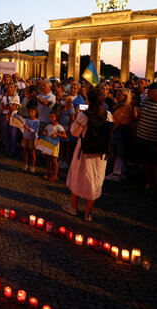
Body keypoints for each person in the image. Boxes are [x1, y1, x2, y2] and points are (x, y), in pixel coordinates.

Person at [63, 87, 114, 221]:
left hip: (84, 151)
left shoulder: (83, 115)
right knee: (95, 179)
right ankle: (88, 212)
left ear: (89, 100)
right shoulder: (108, 115)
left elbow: (74, 132)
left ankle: (73, 207)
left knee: (78, 176)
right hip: (100, 154)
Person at [105, 88, 137, 181]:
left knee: (119, 152)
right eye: (117, 94)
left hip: (120, 132)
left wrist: (110, 131)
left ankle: (117, 172)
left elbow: (120, 121)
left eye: (119, 95)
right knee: (117, 152)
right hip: (116, 130)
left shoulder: (127, 107)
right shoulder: (118, 105)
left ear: (125, 96)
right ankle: (121, 171)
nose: (117, 96)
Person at [42, 110, 67, 181]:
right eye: (50, 117)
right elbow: (45, 131)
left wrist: (57, 134)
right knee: (48, 159)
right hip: (48, 144)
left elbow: (65, 135)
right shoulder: (48, 126)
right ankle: (48, 172)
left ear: (57, 117)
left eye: (52, 117)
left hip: (54, 145)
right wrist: (44, 132)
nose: (50, 118)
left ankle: (55, 175)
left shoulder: (59, 127)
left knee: (54, 160)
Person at [0, 83, 20, 156]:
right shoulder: (5, 97)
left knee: (13, 134)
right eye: (8, 87)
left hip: (13, 116)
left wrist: (8, 112)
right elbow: (3, 107)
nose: (9, 89)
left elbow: (14, 108)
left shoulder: (16, 97)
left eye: (11, 87)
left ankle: (13, 149)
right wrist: (9, 107)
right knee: (6, 133)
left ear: (14, 89)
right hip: (5, 115)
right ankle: (7, 149)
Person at [21, 108, 40, 173]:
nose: (31, 113)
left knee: (32, 152)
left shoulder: (36, 121)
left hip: (32, 138)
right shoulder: (26, 120)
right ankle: (25, 164)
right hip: (26, 137)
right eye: (29, 112)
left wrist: (28, 128)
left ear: (36, 113)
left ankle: (32, 166)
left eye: (32, 112)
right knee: (25, 151)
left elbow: (34, 130)